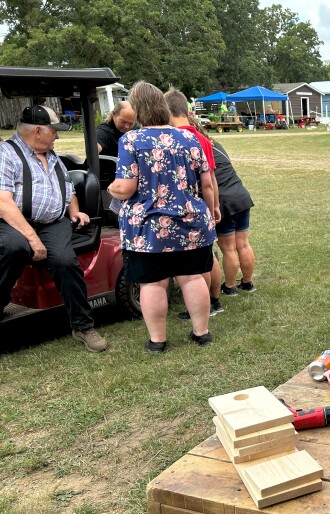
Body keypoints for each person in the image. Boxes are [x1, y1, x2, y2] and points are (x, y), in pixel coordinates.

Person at [108, 81, 219, 353]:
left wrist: (111, 187)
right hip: (190, 221)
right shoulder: (190, 137)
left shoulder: (130, 140)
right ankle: (201, 332)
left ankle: (157, 341)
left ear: (138, 109)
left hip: (148, 228)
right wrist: (213, 209)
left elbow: (125, 187)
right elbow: (207, 183)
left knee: (153, 283)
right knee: (192, 278)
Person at [0, 105, 108, 351]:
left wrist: (75, 211)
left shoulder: (52, 156)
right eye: (54, 130)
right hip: (13, 221)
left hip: (53, 222)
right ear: (38, 130)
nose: (58, 135)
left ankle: (83, 326)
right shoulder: (6, 154)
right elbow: (3, 202)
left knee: (64, 261)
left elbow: (67, 189)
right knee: (14, 248)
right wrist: (32, 238)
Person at [163, 88, 224, 316]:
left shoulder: (172, 139)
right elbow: (212, 180)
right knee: (209, 256)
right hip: (204, 205)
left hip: (188, 206)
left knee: (197, 265)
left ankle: (201, 305)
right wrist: (214, 206)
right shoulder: (202, 138)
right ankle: (214, 300)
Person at [209, 137, 256, 294]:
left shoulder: (199, 148)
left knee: (228, 248)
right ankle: (247, 282)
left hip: (225, 200)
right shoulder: (216, 145)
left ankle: (229, 287)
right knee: (243, 244)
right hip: (241, 196)